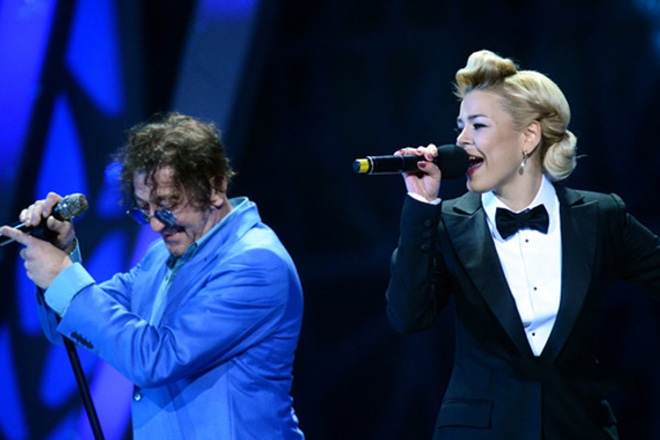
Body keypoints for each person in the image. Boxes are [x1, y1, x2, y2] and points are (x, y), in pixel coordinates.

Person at [385, 49, 660, 440]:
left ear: (528, 137)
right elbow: (408, 317)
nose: (461, 139)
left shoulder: (599, 217)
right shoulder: (446, 223)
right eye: (460, 126)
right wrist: (421, 204)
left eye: (478, 125)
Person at [2, 113, 305, 439]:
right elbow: (74, 324)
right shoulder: (162, 255)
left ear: (215, 186)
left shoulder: (256, 263)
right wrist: (62, 252)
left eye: (168, 204)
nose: (157, 225)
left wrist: (64, 276)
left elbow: (157, 360)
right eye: (145, 209)